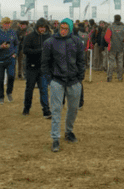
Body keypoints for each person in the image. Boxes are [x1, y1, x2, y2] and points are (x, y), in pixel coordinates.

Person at [42, 18, 85, 152]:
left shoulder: (77, 41)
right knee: (56, 110)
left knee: (73, 108)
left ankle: (69, 131)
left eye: (66, 28)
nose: (63, 31)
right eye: (61, 28)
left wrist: (79, 78)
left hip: (73, 81)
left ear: (70, 29)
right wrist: (50, 79)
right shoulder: (50, 42)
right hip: (57, 80)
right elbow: (45, 62)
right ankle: (55, 138)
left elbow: (81, 60)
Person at [22, 17, 52, 118]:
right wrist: (39, 51)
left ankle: (46, 110)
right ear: (37, 27)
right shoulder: (30, 36)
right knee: (29, 89)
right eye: (40, 27)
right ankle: (26, 108)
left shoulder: (49, 37)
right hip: (31, 67)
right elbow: (25, 50)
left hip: (43, 68)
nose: (42, 29)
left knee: (44, 89)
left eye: (44, 27)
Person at [0, 17, 18, 104]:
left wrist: (15, 53)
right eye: (5, 24)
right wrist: (0, 46)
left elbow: (16, 44)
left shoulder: (13, 32)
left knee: (11, 76)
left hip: (11, 58)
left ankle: (9, 92)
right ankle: (1, 97)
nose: (7, 25)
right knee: (0, 78)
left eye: (8, 24)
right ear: (2, 24)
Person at [105, 15, 124, 82]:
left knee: (111, 62)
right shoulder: (123, 27)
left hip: (112, 47)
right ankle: (120, 78)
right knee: (120, 62)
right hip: (120, 47)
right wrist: (122, 42)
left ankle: (109, 77)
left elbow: (106, 37)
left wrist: (110, 42)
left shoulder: (111, 27)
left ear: (114, 19)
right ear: (120, 19)